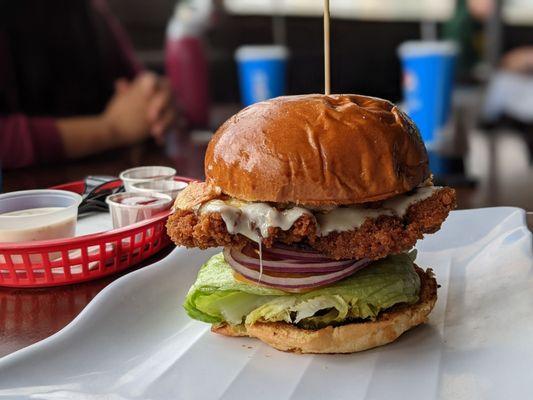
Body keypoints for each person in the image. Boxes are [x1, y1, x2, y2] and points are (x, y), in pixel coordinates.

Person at [0, 0, 178, 169]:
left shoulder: (91, 12)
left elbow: (138, 83)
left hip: (104, 178)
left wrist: (155, 98)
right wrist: (111, 129)